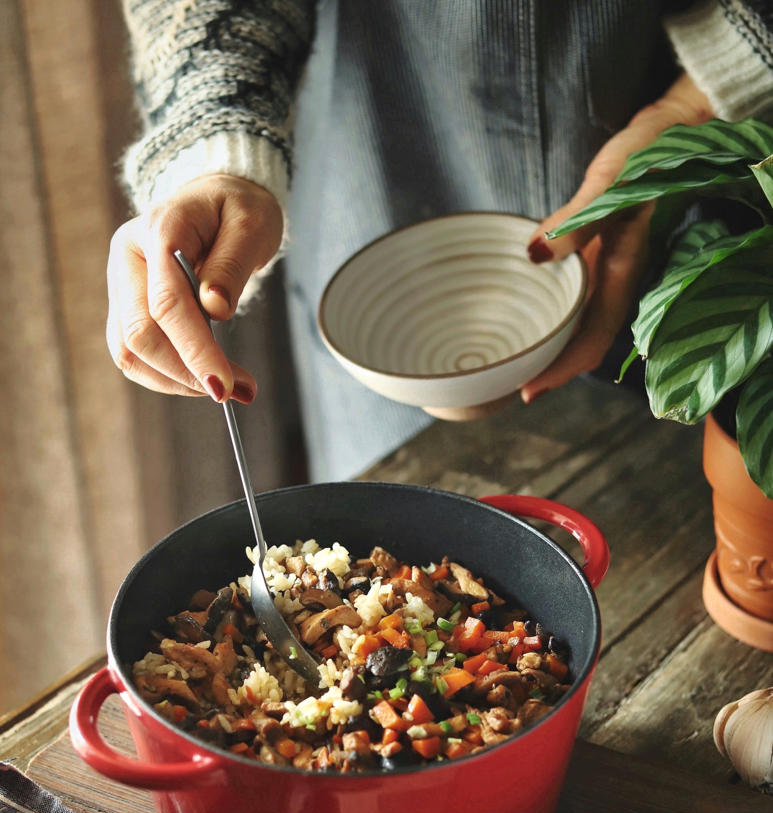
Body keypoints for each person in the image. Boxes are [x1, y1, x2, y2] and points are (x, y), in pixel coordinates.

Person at [108, 0, 773, 481]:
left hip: (697, 164)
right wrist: (216, 152)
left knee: (666, 504)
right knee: (389, 548)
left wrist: (694, 109)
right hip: (368, 161)